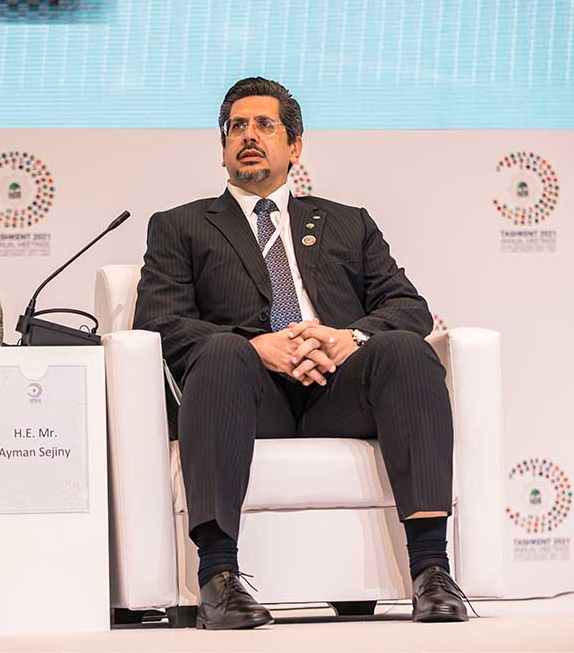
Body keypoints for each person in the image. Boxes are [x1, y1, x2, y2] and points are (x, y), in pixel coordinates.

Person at [133, 77, 468, 630]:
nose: (249, 136)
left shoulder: (349, 222)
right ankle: (218, 578)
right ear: (223, 150)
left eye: (265, 125)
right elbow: (159, 322)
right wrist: (256, 346)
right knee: (220, 353)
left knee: (406, 351)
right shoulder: (181, 226)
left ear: (295, 146)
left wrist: (346, 338)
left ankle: (431, 571)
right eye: (237, 127)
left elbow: (408, 306)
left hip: (338, 390)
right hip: (248, 392)